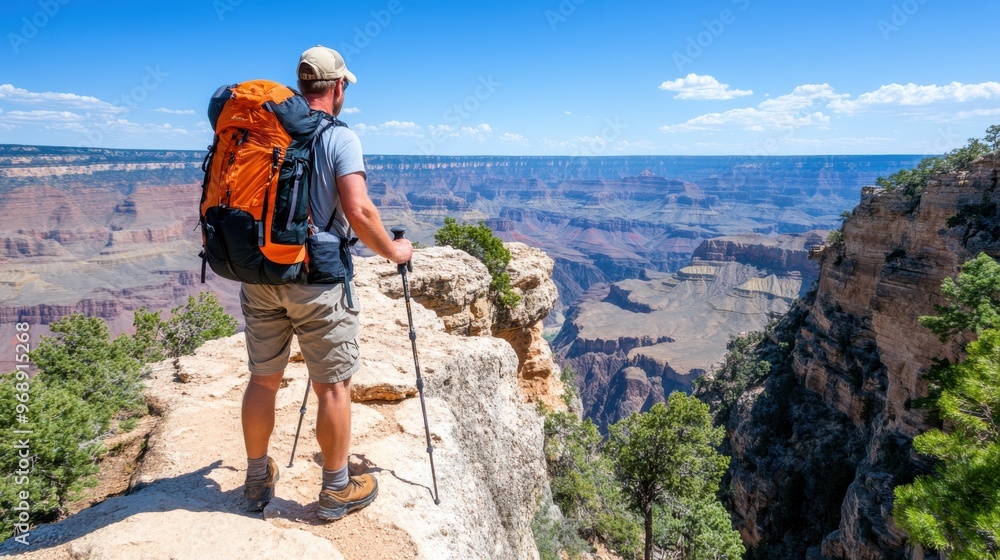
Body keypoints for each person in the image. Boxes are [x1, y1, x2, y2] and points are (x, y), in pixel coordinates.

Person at [239, 45, 413, 521]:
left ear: (301, 85)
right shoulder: (340, 137)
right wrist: (395, 251)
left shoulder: (264, 130)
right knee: (332, 387)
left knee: (263, 379)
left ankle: (256, 479)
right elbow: (359, 211)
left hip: (260, 273)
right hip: (316, 280)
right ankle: (336, 489)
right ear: (338, 87)